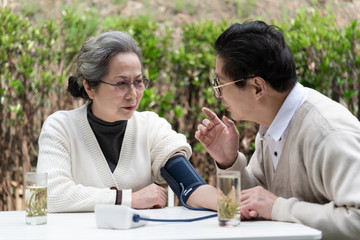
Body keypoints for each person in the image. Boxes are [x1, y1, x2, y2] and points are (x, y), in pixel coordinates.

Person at [195, 20, 360, 239]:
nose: (218, 94)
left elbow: (356, 219)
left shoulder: (327, 133)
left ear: (257, 87)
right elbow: (255, 202)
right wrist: (229, 163)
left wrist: (278, 208)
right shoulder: (271, 126)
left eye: (220, 84)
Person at [36, 31, 217, 213]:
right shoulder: (61, 127)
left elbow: (190, 186)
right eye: (121, 84)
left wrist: (229, 204)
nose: (132, 95)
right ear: (90, 87)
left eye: (138, 82)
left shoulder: (151, 127)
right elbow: (50, 195)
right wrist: (129, 199)